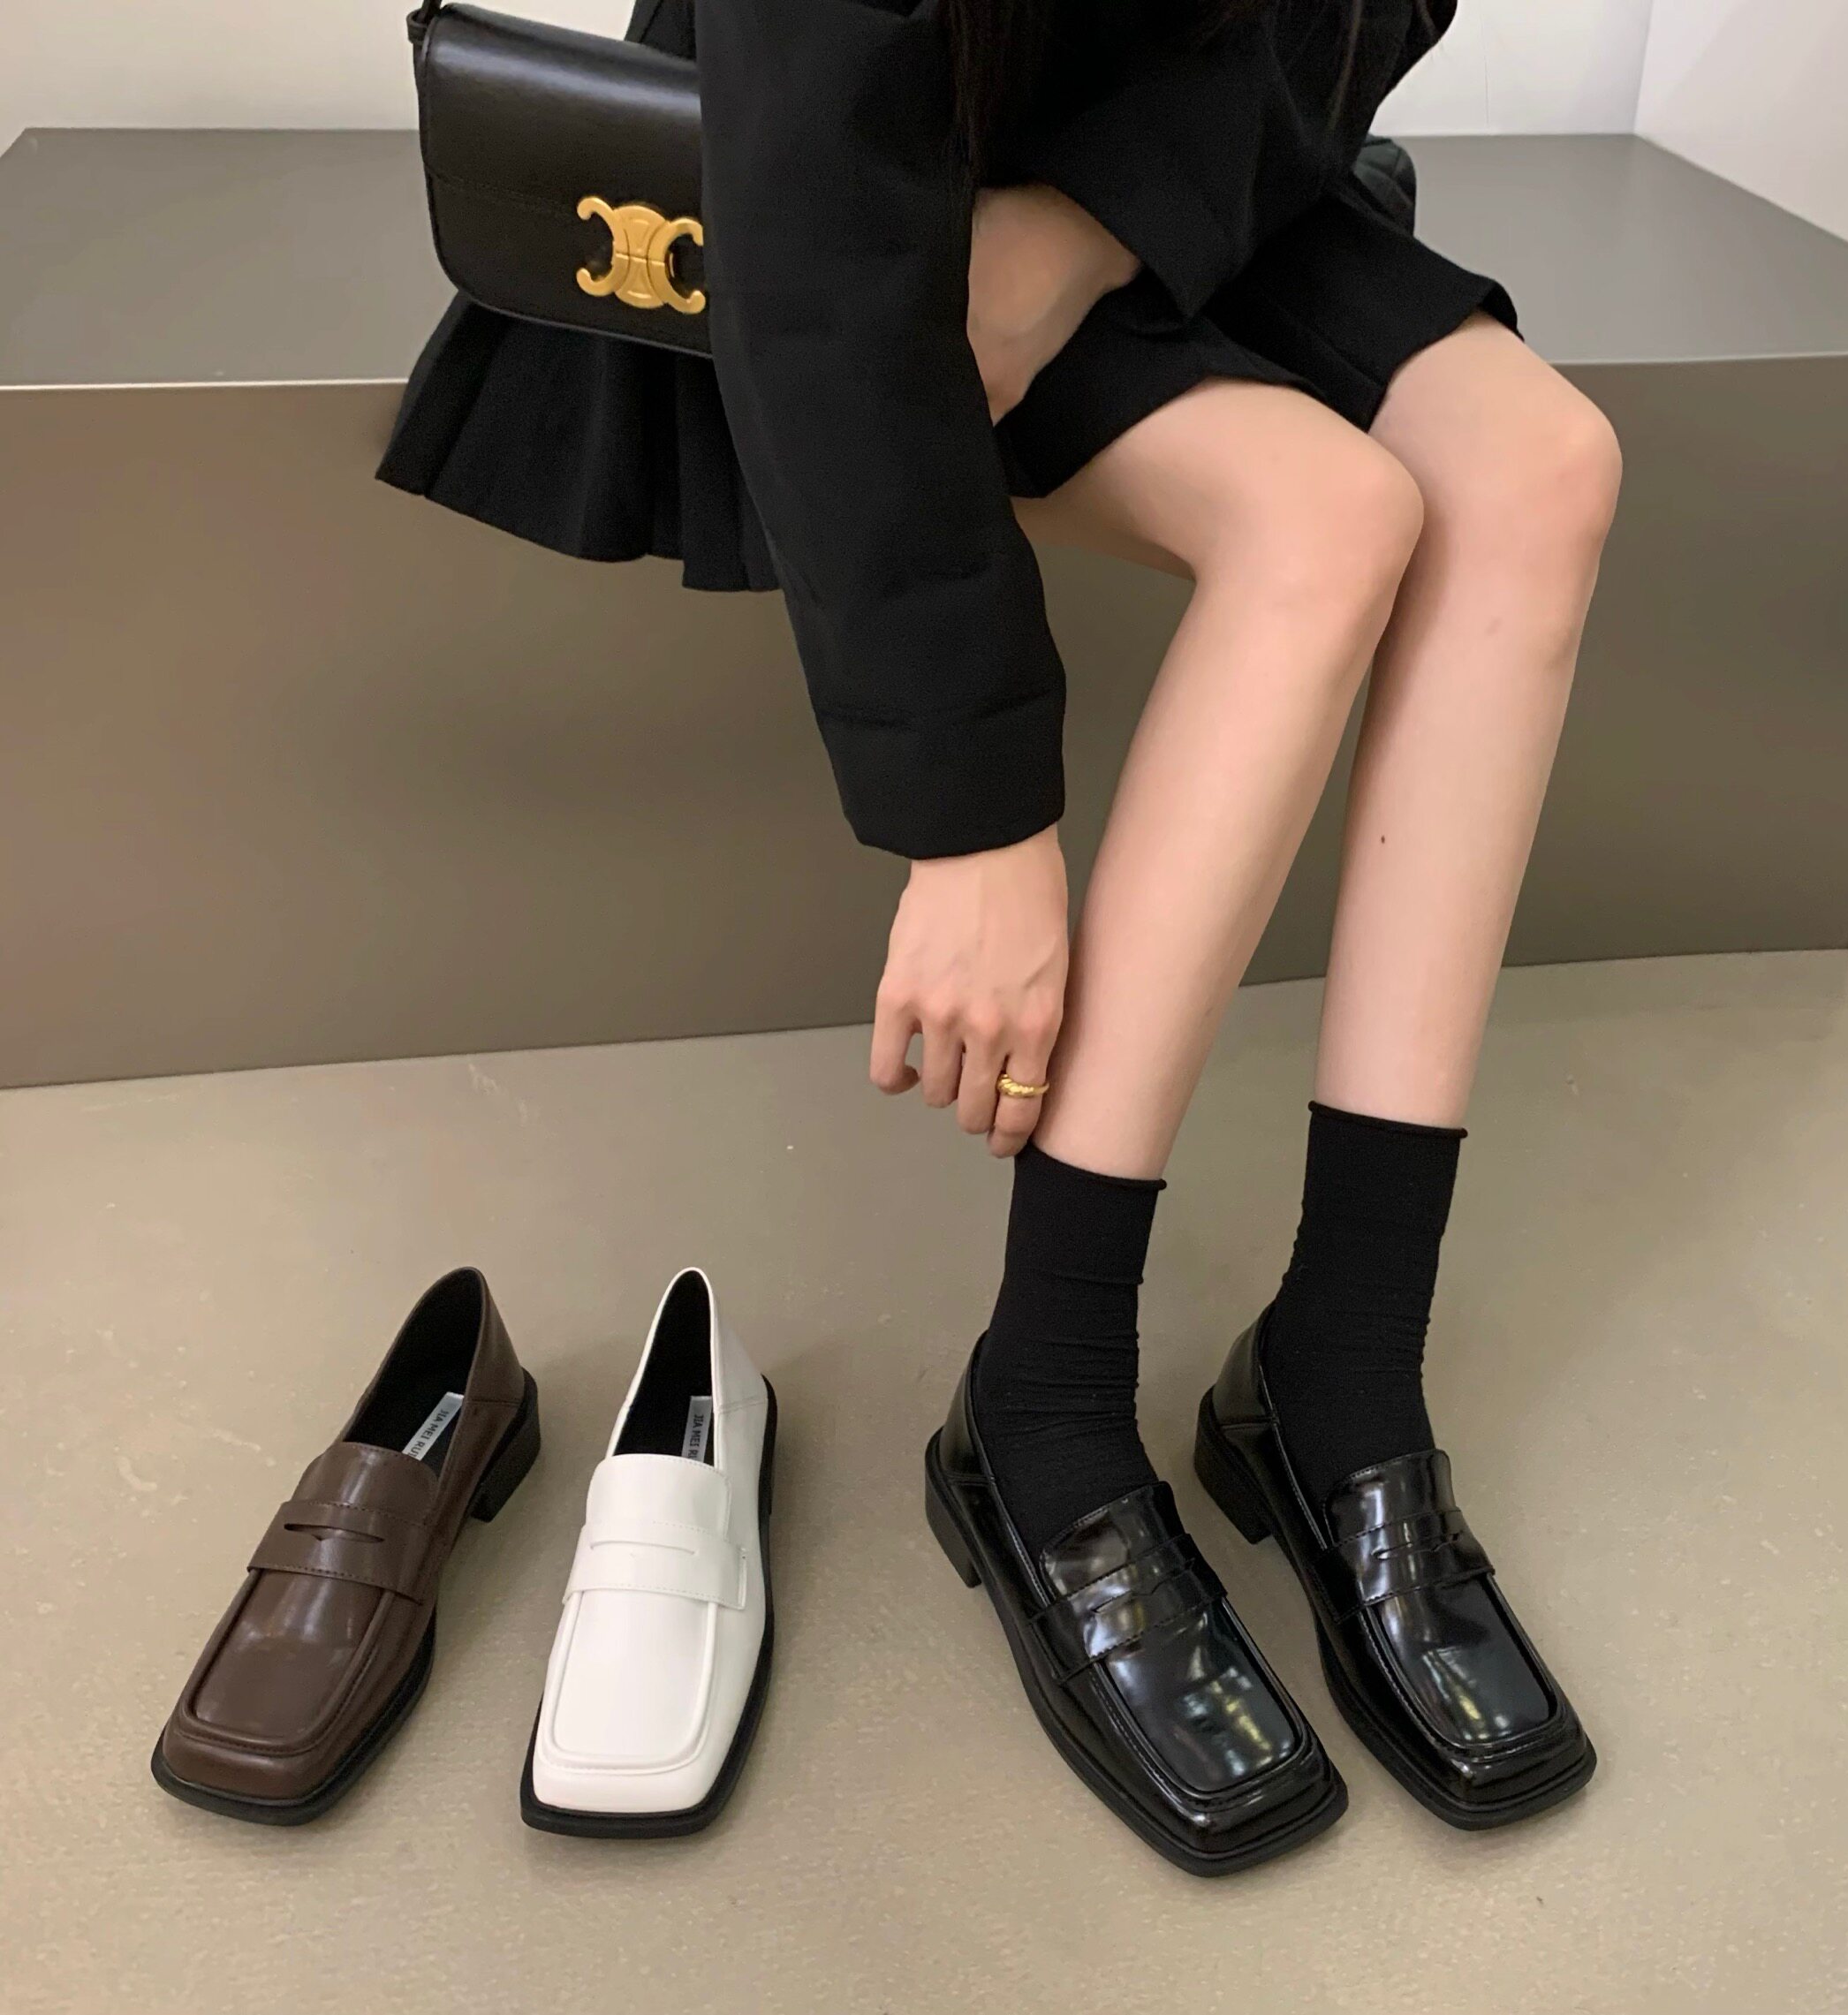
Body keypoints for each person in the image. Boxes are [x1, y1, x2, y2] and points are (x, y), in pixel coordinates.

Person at [381, 0, 1618, 1872]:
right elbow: (813, 196)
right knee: (1323, 523)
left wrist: (1098, 224)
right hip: (846, 209)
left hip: (1178, 130)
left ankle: (1343, 1366)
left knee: (1540, 469)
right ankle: (1041, 1409)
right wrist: (975, 826)